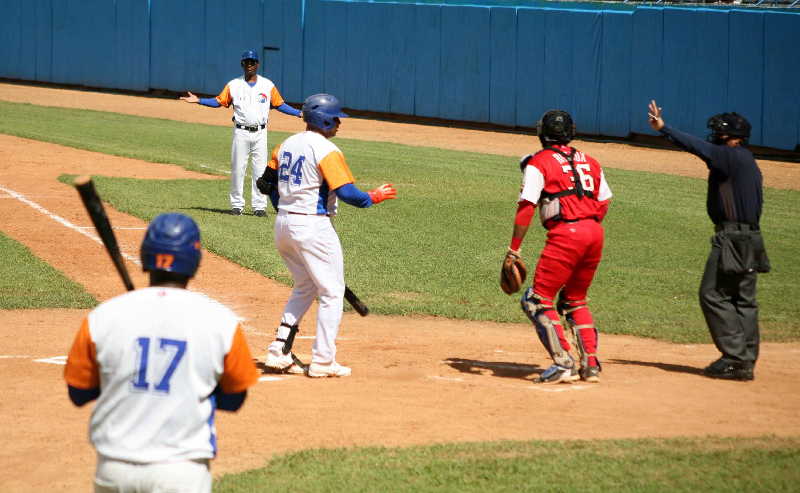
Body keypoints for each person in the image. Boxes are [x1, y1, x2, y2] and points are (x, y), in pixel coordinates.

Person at [63, 213, 260, 492]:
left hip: (115, 468)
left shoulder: (103, 317)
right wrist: (188, 390)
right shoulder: (221, 322)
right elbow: (235, 399)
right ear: (195, 261)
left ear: (145, 256)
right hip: (182, 470)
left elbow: (78, 392)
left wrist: (122, 385)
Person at [258, 93, 397, 378]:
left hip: (284, 225)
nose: (339, 123)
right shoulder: (325, 149)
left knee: (306, 286)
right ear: (322, 119)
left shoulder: (285, 145)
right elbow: (349, 194)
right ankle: (323, 360)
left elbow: (265, 184)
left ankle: (278, 350)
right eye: (335, 118)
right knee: (332, 293)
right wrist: (374, 196)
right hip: (313, 227)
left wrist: (286, 207)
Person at [647, 100, 769, 381]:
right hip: (752, 237)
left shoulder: (730, 156)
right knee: (743, 299)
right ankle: (745, 358)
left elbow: (697, 147)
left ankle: (735, 357)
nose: (713, 136)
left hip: (733, 238)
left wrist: (664, 128)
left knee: (712, 294)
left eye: (718, 133)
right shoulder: (747, 160)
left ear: (729, 137)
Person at [505, 110, 613, 384]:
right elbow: (604, 201)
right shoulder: (591, 161)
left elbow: (527, 206)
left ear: (542, 133)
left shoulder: (537, 162)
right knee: (575, 299)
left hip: (567, 234)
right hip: (595, 233)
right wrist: (588, 225)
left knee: (536, 299)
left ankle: (564, 362)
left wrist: (514, 249)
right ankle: (591, 366)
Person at [180, 49, 302, 217]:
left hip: (260, 133)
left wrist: (298, 113)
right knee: (238, 169)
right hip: (241, 132)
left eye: (253, 62)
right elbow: (219, 101)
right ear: (242, 64)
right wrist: (199, 100)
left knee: (260, 171)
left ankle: (259, 206)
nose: (250, 65)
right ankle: (237, 205)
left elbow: (279, 104)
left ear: (258, 64)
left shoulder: (267, 85)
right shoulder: (233, 85)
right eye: (247, 62)